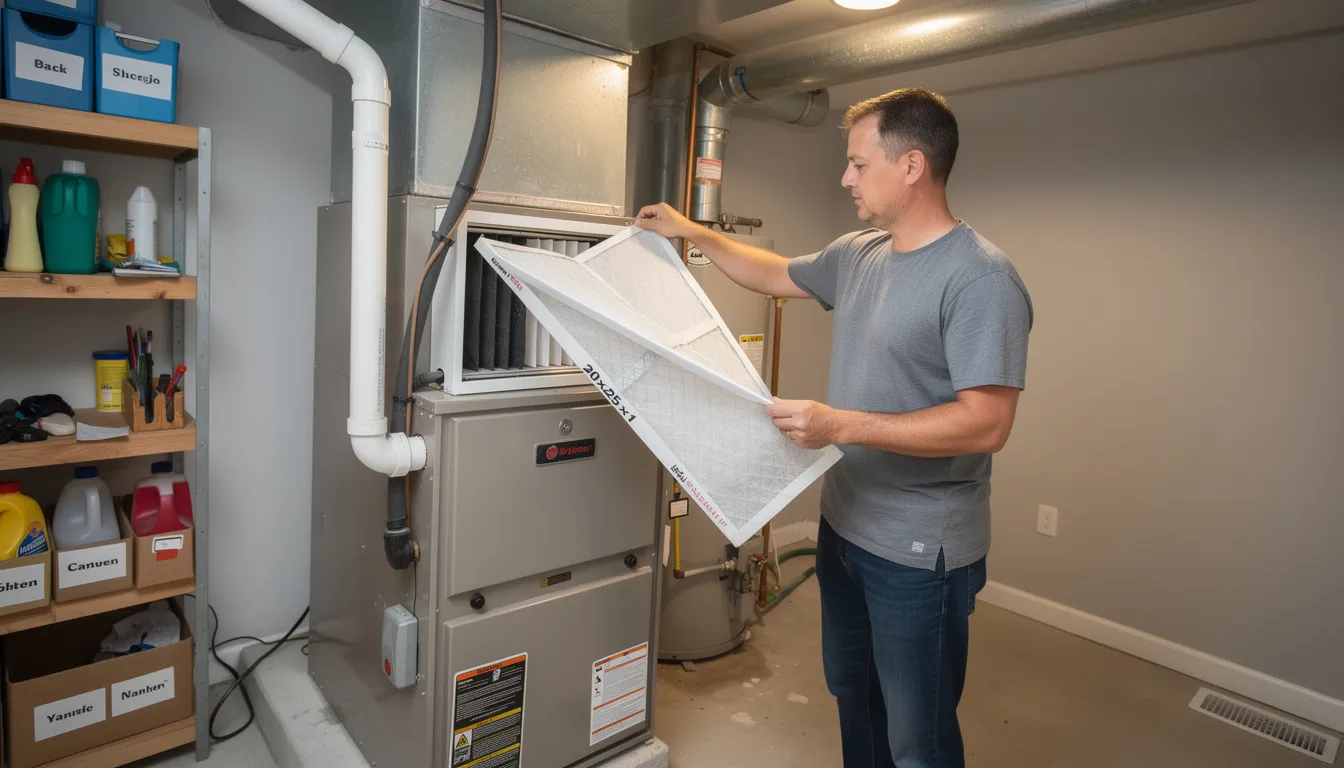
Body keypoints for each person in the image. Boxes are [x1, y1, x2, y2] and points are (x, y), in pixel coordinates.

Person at [635, 87, 1033, 767]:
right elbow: (772, 271)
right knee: (854, 693)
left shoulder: (980, 278)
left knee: (919, 737)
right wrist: (691, 232)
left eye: (857, 163)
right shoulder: (860, 254)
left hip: (918, 553)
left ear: (911, 166)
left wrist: (840, 423)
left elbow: (987, 424)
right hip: (845, 527)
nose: (845, 178)